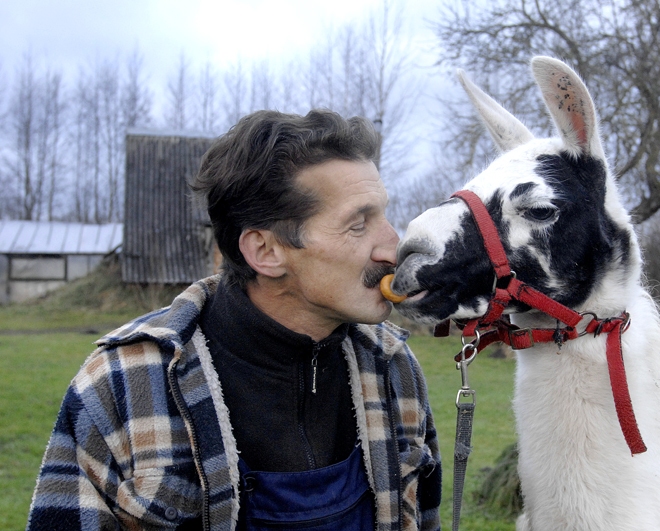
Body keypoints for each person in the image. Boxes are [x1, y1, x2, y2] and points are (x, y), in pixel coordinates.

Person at [27, 109, 441, 531]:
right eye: (358, 224)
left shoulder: (395, 367)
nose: (394, 249)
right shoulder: (120, 384)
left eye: (384, 216)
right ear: (265, 251)